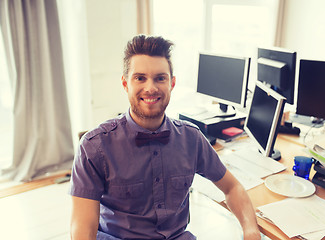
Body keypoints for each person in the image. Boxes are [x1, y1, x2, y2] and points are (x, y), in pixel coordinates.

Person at [69, 35, 261, 240]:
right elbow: (82, 231)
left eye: (160, 78)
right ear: (125, 84)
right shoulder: (94, 147)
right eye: (140, 78)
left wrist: (251, 230)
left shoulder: (192, 138)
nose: (151, 88)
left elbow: (232, 187)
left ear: (172, 83)